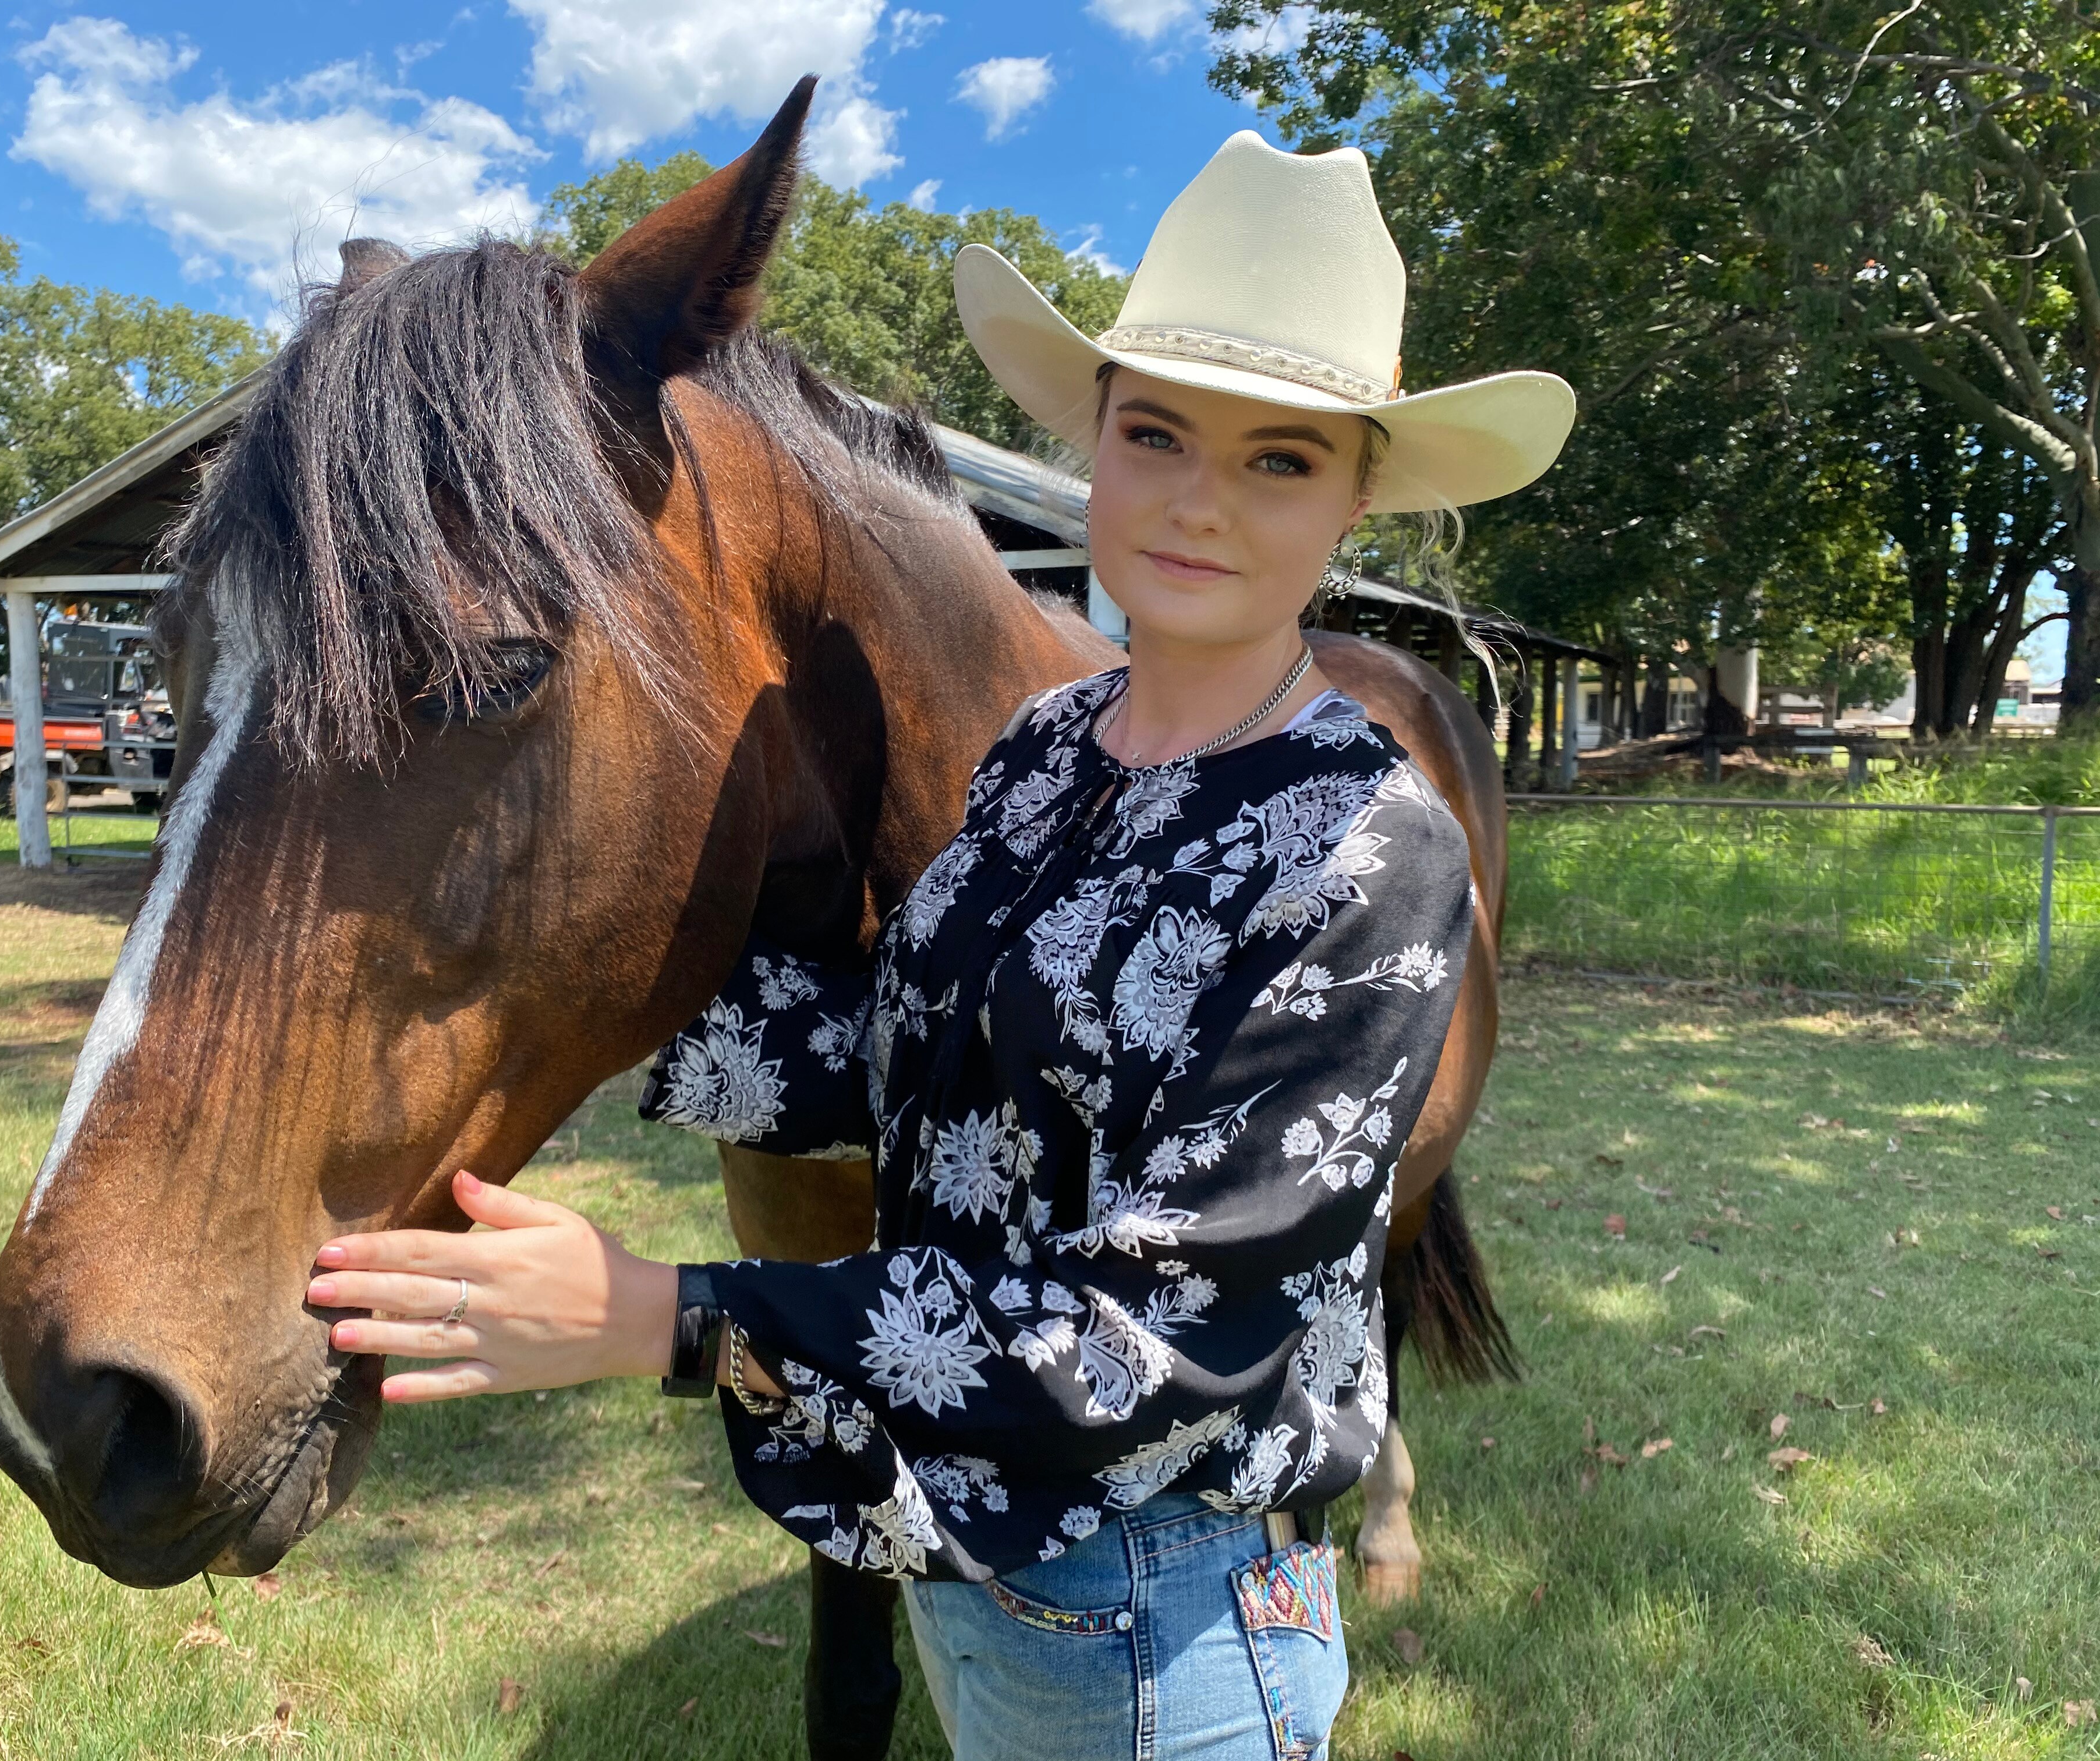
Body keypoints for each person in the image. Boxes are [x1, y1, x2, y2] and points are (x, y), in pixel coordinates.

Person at [303, 133, 1573, 1758]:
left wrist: (664, 1314)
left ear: (1358, 495)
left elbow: (1161, 1339)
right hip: (966, 1567)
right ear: (1097, 440)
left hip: (1163, 1614)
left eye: (1282, 462)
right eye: (1159, 432)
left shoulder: (1369, 848)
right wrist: (579, 997)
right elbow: (906, 1052)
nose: (1198, 502)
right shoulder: (1049, 753)